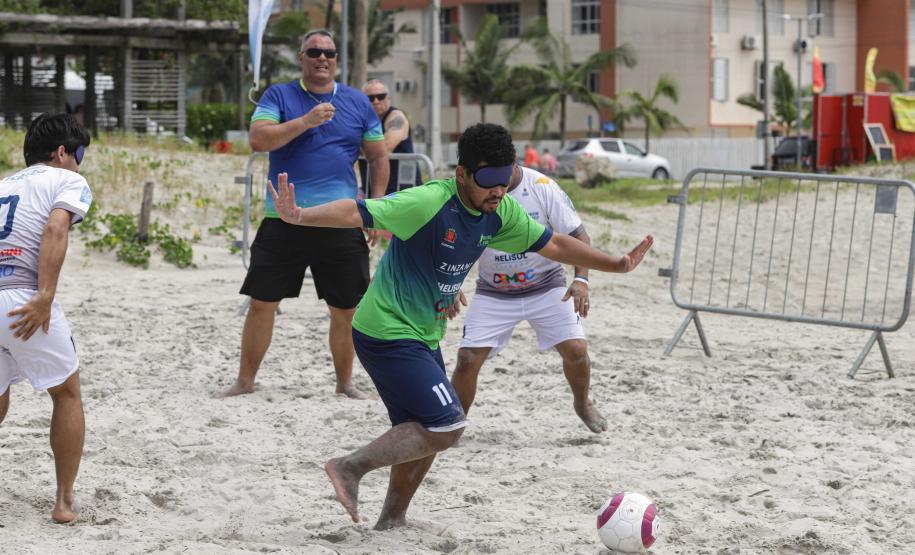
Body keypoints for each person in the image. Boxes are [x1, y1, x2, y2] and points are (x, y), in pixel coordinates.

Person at [266, 123, 653, 529]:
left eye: (505, 179)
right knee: (447, 425)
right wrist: (300, 216)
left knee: (419, 431)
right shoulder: (429, 201)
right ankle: (349, 467)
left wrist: (615, 264)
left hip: (423, 331)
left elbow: (554, 243)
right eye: (488, 180)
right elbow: (357, 210)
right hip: (387, 331)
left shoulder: (501, 212)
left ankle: (392, 519)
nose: (498, 190)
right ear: (462, 174)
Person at [221, 29, 389, 399]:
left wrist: (376, 209)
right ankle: (245, 382)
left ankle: (345, 383)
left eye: (329, 52)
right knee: (262, 303)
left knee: (346, 309)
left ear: (336, 59)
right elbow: (259, 139)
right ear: (302, 57)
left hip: (340, 219)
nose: (322, 58)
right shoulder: (279, 95)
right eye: (314, 52)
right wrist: (306, 121)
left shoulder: (357, 102)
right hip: (283, 218)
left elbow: (378, 157)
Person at [450, 165, 607, 433]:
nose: (497, 186)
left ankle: (582, 403)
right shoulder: (471, 190)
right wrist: (451, 283)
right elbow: (456, 240)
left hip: (546, 285)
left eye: (502, 174)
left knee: (577, 350)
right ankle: (452, 424)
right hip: (493, 290)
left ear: (513, 163)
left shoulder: (541, 186)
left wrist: (581, 280)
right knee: (467, 358)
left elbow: (578, 236)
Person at [0, 113, 93, 523]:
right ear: (61, 152)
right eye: (80, 154)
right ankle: (64, 502)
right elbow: (56, 229)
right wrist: (45, 297)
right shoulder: (66, 180)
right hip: (25, 298)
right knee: (66, 393)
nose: (80, 164)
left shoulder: (4, 184)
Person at [359, 79, 422, 196]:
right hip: (374, 192)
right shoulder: (363, 120)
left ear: (388, 97)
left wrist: (358, 146)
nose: (376, 101)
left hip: (403, 192)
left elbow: (382, 149)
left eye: (380, 96)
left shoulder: (397, 117)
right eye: (370, 98)